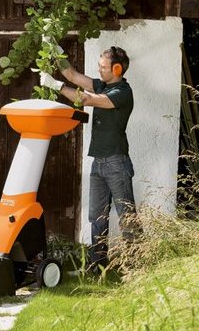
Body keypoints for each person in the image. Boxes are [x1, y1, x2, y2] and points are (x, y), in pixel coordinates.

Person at [38, 42, 135, 272]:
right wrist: (54, 49)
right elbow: (72, 74)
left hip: (117, 162)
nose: (99, 69)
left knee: (127, 217)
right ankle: (97, 265)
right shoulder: (102, 85)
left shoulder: (122, 93)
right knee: (97, 217)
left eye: (103, 66)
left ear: (117, 69)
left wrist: (56, 86)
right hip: (98, 162)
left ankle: (137, 266)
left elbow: (86, 99)